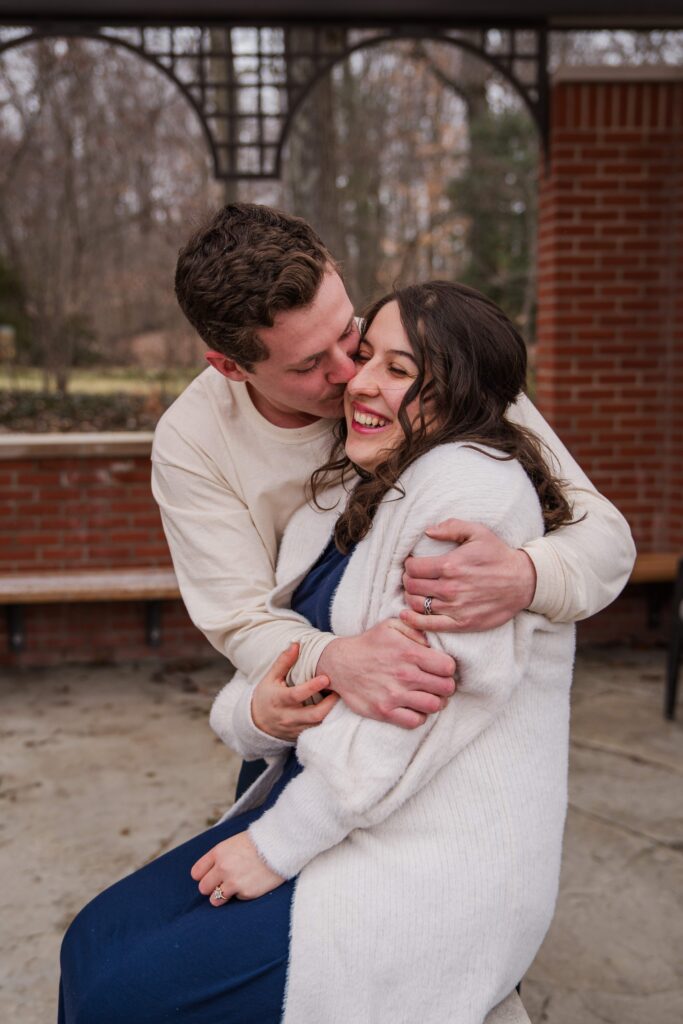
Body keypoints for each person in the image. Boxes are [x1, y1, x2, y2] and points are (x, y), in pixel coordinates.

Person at [61, 280, 578, 1023]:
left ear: (460, 392)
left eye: (395, 368)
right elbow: (266, 635)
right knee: (89, 943)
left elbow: (411, 717)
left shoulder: (467, 494)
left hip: (427, 851)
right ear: (232, 366)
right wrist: (256, 714)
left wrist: (272, 848)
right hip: (333, 800)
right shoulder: (356, 483)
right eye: (364, 356)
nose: (355, 379)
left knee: (124, 993)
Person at [151, 204, 635, 780]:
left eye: (347, 332)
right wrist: (332, 660)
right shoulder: (192, 442)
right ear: (231, 367)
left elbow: (605, 539)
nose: (352, 373)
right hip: (318, 727)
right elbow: (239, 619)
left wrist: (525, 576)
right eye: (311, 364)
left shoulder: (436, 364)